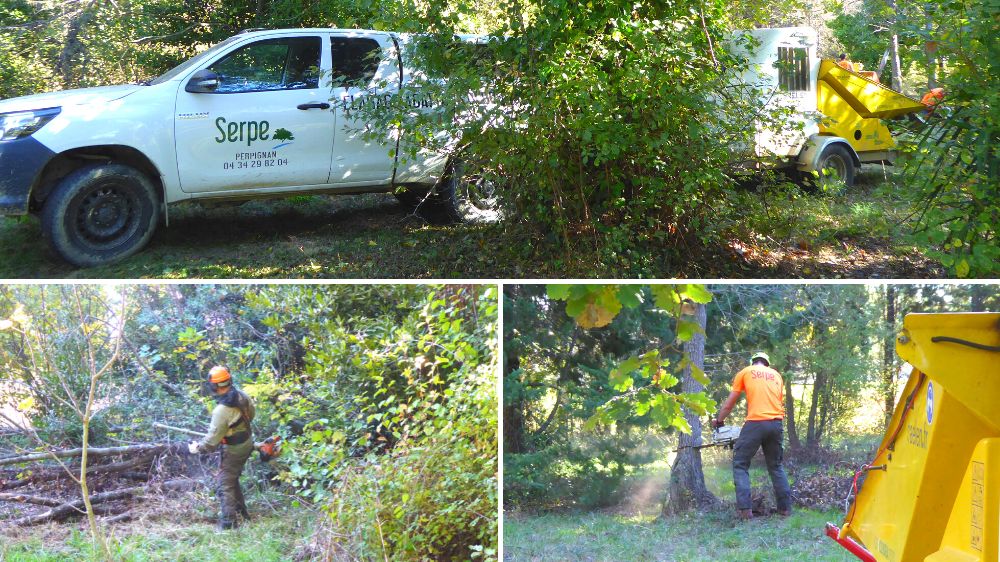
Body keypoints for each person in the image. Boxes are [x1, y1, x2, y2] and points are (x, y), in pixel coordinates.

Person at [711, 352, 792, 520]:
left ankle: (745, 511)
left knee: (740, 464)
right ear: (767, 364)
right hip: (776, 423)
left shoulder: (746, 372)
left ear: (753, 362)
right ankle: (785, 510)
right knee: (776, 466)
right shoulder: (777, 376)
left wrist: (719, 421)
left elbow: (730, 402)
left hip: (755, 422)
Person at [188, 365, 256, 530]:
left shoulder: (221, 411)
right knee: (232, 478)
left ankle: (229, 523)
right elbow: (251, 415)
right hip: (247, 442)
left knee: (224, 484)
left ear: (213, 386)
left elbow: (211, 442)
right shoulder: (242, 396)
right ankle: (242, 512)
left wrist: (198, 448)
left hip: (235, 449)